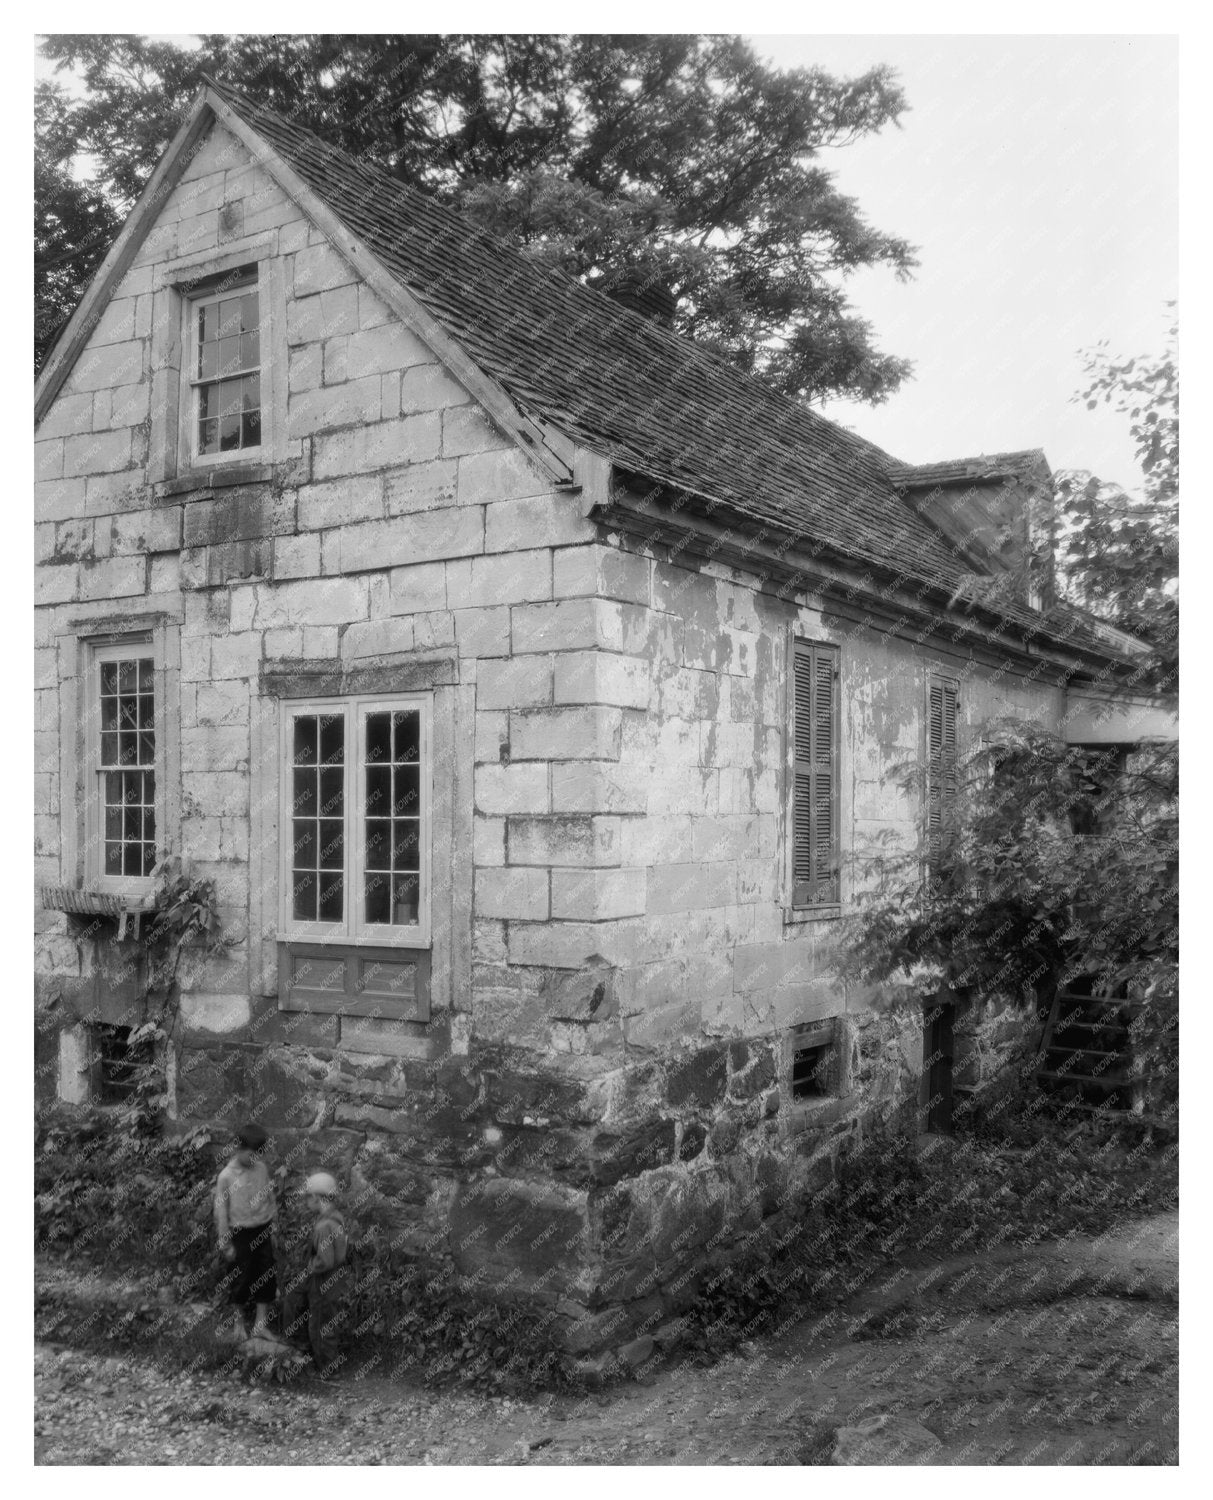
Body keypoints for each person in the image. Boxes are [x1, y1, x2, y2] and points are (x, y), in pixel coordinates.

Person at [213, 1121, 278, 1342]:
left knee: (266, 1274)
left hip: (262, 1228)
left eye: (258, 1155)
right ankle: (239, 1321)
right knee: (240, 1278)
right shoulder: (226, 1177)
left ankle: (260, 1325)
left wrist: (273, 1219)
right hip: (240, 1234)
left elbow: (269, 1194)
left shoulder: (260, 1168)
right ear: (238, 1149)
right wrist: (226, 1243)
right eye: (251, 1154)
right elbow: (221, 1212)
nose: (255, 1159)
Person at [303, 1171, 349, 1379]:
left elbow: (326, 1260)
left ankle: (326, 1369)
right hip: (336, 1280)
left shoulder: (323, 1226)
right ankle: (332, 1365)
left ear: (318, 1198)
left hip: (323, 1282)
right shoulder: (337, 1219)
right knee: (329, 1323)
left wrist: (311, 1266)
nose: (306, 1201)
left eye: (308, 1197)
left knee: (319, 1325)